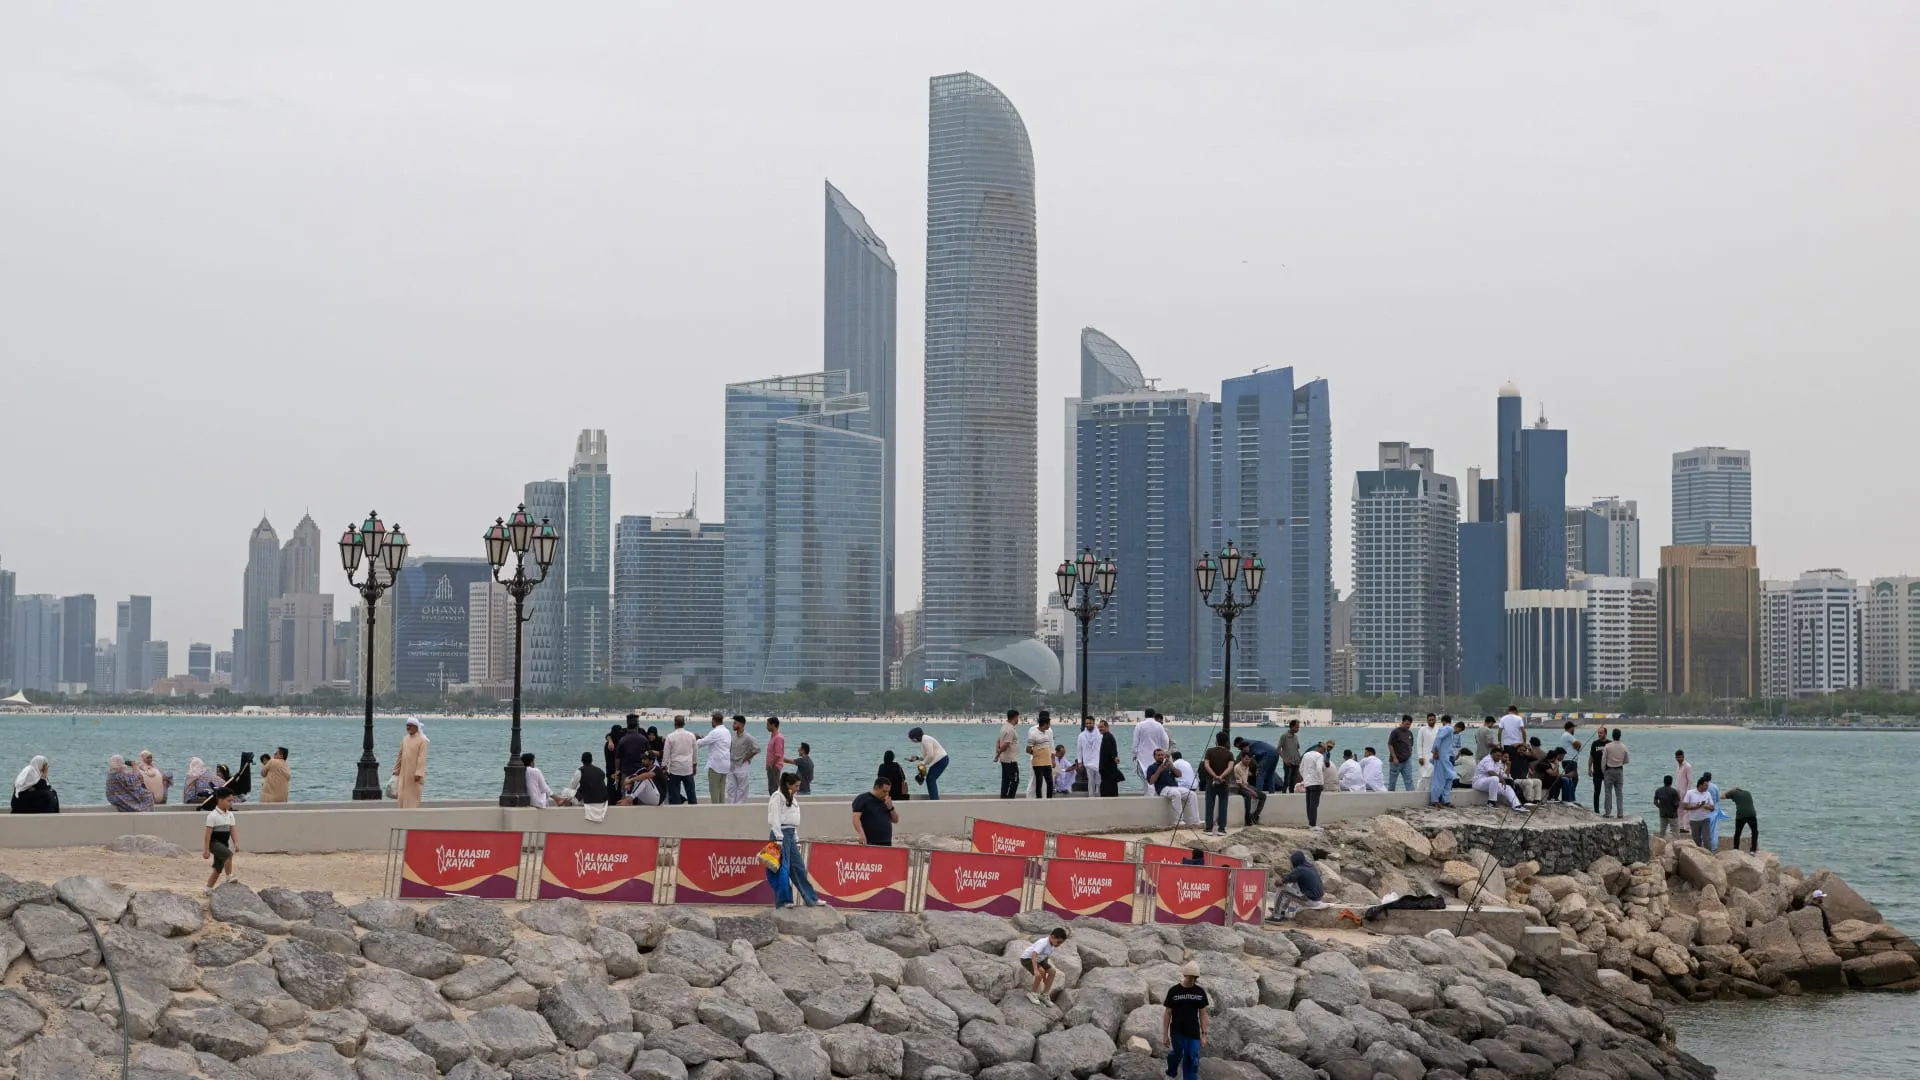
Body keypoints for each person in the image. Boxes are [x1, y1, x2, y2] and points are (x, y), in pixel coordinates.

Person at [765, 772, 824, 908]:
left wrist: (795, 838)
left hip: (790, 835)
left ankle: (811, 898)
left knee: (798, 868)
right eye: (796, 786)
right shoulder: (777, 797)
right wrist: (779, 839)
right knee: (782, 870)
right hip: (779, 835)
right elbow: (774, 819)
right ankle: (784, 901)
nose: (798, 788)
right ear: (788, 784)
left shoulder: (792, 798)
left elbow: (793, 820)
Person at [1162, 960, 1210, 1080]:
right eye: (1190, 977)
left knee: (1193, 1058)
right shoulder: (1174, 991)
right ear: (1185, 975)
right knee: (1178, 1053)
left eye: (1195, 977)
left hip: (1193, 1031)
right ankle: (1171, 1072)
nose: (1192, 980)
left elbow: (1203, 1014)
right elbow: (1167, 1013)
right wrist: (1165, 1034)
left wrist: (1204, 1034)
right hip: (1177, 1030)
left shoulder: (1200, 992)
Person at [1266, 849, 1326, 921]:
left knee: (1282, 889)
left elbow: (1279, 882)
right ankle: (1281, 910)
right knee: (1294, 884)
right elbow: (1292, 877)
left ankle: (1277, 916)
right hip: (1318, 899)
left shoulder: (1300, 869)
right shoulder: (1311, 867)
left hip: (1310, 900)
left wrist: (1280, 879)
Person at [1149, 748, 1198, 826]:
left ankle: (1195, 820)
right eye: (1158, 755)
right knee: (1176, 794)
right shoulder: (1152, 767)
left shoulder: (1168, 766)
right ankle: (1178, 820)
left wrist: (1172, 767)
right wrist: (1159, 770)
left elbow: (1179, 775)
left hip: (1175, 787)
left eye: (1162, 755)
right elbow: (1151, 781)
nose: (1160, 756)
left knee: (1192, 794)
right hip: (1163, 789)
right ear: (1154, 757)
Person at [202, 789, 239, 890]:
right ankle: (229, 876)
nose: (231, 803)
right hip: (214, 843)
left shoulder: (230, 815)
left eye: (231, 801)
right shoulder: (212, 815)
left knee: (218, 869)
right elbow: (208, 834)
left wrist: (235, 842)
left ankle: (208, 889)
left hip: (224, 844)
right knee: (228, 855)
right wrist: (206, 850)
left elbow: (232, 829)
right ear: (220, 800)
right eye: (228, 801)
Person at [1021, 928, 1067, 1005]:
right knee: (1040, 971)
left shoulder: (1052, 945)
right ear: (1052, 937)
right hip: (1027, 958)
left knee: (1052, 971)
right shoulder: (1043, 943)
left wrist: (1045, 978)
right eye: (1058, 942)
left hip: (1039, 960)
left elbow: (1045, 958)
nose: (1059, 945)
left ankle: (1044, 995)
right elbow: (1034, 954)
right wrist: (1036, 970)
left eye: (1061, 943)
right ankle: (1032, 993)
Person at [1202, 732, 1235, 835]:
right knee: (1223, 805)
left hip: (1211, 782)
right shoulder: (1229, 754)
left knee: (1209, 805)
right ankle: (1221, 829)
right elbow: (1230, 767)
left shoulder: (1209, 751)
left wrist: (1214, 776)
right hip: (1224, 783)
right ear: (1226, 742)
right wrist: (1221, 776)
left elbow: (1206, 765)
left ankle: (1209, 829)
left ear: (1216, 740)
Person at [392, 718, 429, 807]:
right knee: (402, 795)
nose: (408, 727)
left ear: (416, 727)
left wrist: (419, 773)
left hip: (414, 775)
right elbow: (400, 755)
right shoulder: (405, 739)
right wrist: (396, 770)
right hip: (403, 773)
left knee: (412, 797)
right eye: (407, 725)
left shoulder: (422, 740)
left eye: (410, 725)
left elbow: (422, 758)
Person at [697, 714, 732, 805]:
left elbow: (701, 743)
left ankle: (716, 809)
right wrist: (704, 738)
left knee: (714, 789)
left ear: (714, 720)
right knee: (721, 790)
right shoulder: (727, 731)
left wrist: (696, 738)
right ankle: (721, 808)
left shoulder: (715, 732)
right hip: (725, 765)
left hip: (716, 765)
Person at [663, 715, 698, 806]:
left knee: (675, 792)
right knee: (691, 791)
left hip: (675, 769)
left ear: (675, 723)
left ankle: (677, 811)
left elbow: (666, 754)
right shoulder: (691, 735)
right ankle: (694, 809)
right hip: (688, 768)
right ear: (684, 724)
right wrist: (694, 765)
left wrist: (664, 766)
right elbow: (695, 752)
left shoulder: (670, 736)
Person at [851, 776, 897, 846]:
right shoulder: (863, 799)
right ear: (876, 788)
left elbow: (895, 820)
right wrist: (861, 834)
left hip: (886, 841)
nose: (886, 794)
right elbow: (856, 818)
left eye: (888, 792)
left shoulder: (886, 801)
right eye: (884, 791)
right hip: (871, 841)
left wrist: (891, 808)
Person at [1132, 709, 1170, 793]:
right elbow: (1165, 741)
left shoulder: (1139, 725)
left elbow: (1135, 742)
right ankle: (1155, 794)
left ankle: (1148, 795)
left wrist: (1135, 754)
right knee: (1156, 776)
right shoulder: (1159, 726)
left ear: (1145, 715)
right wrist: (1163, 751)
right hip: (1156, 756)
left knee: (1146, 779)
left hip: (1142, 757)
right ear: (1154, 715)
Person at [1428, 718, 1461, 807]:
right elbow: (1438, 738)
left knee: (1450, 777)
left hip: (1446, 758)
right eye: (1459, 731)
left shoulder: (1450, 732)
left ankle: (1445, 800)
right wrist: (1435, 751)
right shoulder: (1448, 728)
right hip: (1440, 757)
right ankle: (1435, 800)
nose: (1458, 733)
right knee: (1439, 779)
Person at [907, 728, 948, 800]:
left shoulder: (926, 739)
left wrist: (922, 763)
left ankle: (934, 800)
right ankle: (934, 798)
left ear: (915, 737)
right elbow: (926, 756)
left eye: (912, 738)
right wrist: (917, 758)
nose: (912, 740)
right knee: (930, 779)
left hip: (941, 760)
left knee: (930, 779)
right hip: (938, 761)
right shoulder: (923, 741)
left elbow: (930, 755)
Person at [727, 716, 760, 805]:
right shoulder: (733, 736)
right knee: (731, 787)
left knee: (742, 788)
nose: (733, 725)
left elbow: (757, 749)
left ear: (741, 724)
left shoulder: (748, 737)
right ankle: (731, 806)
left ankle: (740, 806)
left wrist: (746, 758)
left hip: (742, 765)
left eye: (735, 723)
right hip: (732, 765)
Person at [1230, 748, 1266, 825]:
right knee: (1249, 795)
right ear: (1242, 758)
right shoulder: (1237, 767)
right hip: (1238, 787)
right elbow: (1240, 784)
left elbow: (1246, 781)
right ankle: (1247, 819)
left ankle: (1255, 815)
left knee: (1263, 796)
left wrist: (1251, 789)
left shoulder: (1247, 766)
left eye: (1249, 759)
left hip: (1246, 785)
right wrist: (1251, 791)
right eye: (1246, 759)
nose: (1248, 761)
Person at [616, 717, 651, 791]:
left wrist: (617, 770)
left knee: (625, 793)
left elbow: (618, 758)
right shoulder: (643, 739)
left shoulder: (622, 740)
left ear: (627, 726)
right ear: (637, 726)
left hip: (626, 771)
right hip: (641, 770)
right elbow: (649, 755)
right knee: (640, 793)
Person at [1297, 740, 1328, 826]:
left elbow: (1301, 769)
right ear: (1321, 748)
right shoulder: (1319, 756)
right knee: (1314, 805)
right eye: (1324, 750)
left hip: (1308, 783)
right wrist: (1321, 782)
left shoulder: (1306, 755)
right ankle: (1313, 825)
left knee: (1309, 804)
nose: (1324, 752)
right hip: (1316, 783)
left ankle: (1310, 823)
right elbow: (1319, 769)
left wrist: (1305, 778)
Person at [1601, 728, 1629, 818]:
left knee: (1608, 792)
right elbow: (1626, 760)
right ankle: (1620, 813)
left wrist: (1603, 770)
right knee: (1619, 793)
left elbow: (1603, 759)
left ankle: (1607, 812)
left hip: (1609, 770)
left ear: (1612, 736)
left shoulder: (1607, 746)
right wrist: (1620, 762)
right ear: (1620, 736)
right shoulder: (1624, 746)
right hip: (1619, 771)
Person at [571, 752, 609, 818]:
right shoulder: (600, 771)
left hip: (588, 801)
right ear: (592, 760)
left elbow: (572, 787)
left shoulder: (580, 771)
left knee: (566, 792)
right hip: (601, 801)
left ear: (582, 760)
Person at [1027, 713, 1056, 799]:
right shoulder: (1033, 732)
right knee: (1038, 782)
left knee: (1050, 782)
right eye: (1049, 723)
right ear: (1045, 723)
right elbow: (1028, 749)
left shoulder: (1047, 732)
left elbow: (1051, 746)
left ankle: (1049, 799)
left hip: (1047, 762)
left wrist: (1052, 759)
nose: (1050, 726)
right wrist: (1037, 753)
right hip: (1038, 762)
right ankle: (1038, 799)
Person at [1383, 717, 1415, 792]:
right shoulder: (1395, 732)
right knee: (1392, 781)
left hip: (1407, 761)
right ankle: (1390, 795)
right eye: (1407, 724)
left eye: (1409, 725)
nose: (1408, 726)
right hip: (1396, 761)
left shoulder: (1410, 733)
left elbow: (1410, 745)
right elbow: (1390, 745)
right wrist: (1394, 758)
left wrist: (1410, 754)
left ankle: (1411, 795)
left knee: (1409, 780)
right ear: (1402, 722)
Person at [1724, 784, 1759, 852]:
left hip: (1741, 815)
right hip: (1752, 814)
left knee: (1738, 833)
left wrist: (1730, 790)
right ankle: (1753, 850)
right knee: (1754, 832)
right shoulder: (1748, 792)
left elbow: (1722, 796)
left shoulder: (1733, 793)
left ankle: (1736, 849)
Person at [1682, 777, 1714, 847]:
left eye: (1707, 785)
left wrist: (1706, 806)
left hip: (1705, 820)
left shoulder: (1708, 794)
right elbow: (1684, 806)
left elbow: (1712, 808)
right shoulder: (1690, 793)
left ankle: (1709, 853)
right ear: (1700, 785)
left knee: (1707, 840)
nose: (1707, 787)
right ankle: (1698, 853)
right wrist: (1696, 807)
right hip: (1694, 820)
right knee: (1696, 841)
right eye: (1705, 785)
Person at [1076, 717, 1103, 798]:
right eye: (1086, 723)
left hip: (1099, 761)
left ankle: (1099, 796)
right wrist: (1080, 762)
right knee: (1091, 781)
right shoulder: (1081, 736)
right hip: (1088, 762)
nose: (1088, 725)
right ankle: (1091, 796)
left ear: (1094, 723)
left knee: (1099, 781)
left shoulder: (1100, 734)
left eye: (1090, 723)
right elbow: (1079, 749)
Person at [1097, 719, 1122, 798]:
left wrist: (1115, 757)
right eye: (1099, 727)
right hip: (1108, 770)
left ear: (1107, 727)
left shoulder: (1107, 737)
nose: (1100, 729)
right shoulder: (1107, 736)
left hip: (1108, 770)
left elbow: (1111, 752)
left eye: (1102, 727)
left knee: (1106, 791)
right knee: (1111, 790)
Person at [1278, 720, 1303, 794]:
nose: (1298, 729)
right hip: (1288, 762)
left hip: (1296, 761)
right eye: (1297, 727)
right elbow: (1278, 749)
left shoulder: (1296, 737)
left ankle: (1291, 795)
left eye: (1298, 727)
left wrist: (1300, 760)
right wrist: (1284, 759)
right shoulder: (1284, 736)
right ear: (1292, 727)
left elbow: (1297, 749)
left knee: (1293, 780)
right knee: (1287, 780)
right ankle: (1283, 794)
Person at [1587, 728, 1609, 813]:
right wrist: (1589, 768)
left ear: (1605, 733)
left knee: (1608, 792)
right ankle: (1596, 811)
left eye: (1601, 733)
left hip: (1607, 772)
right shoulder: (1594, 744)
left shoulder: (1609, 743)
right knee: (1597, 792)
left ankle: (1607, 811)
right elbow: (1591, 757)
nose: (1599, 734)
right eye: (1598, 733)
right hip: (1597, 771)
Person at [764, 718, 787, 797]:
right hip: (771, 766)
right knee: (771, 788)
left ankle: (776, 803)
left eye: (768, 725)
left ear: (773, 725)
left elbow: (778, 755)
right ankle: (774, 802)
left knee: (774, 788)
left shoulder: (778, 738)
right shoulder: (773, 737)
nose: (767, 727)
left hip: (774, 766)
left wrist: (771, 764)